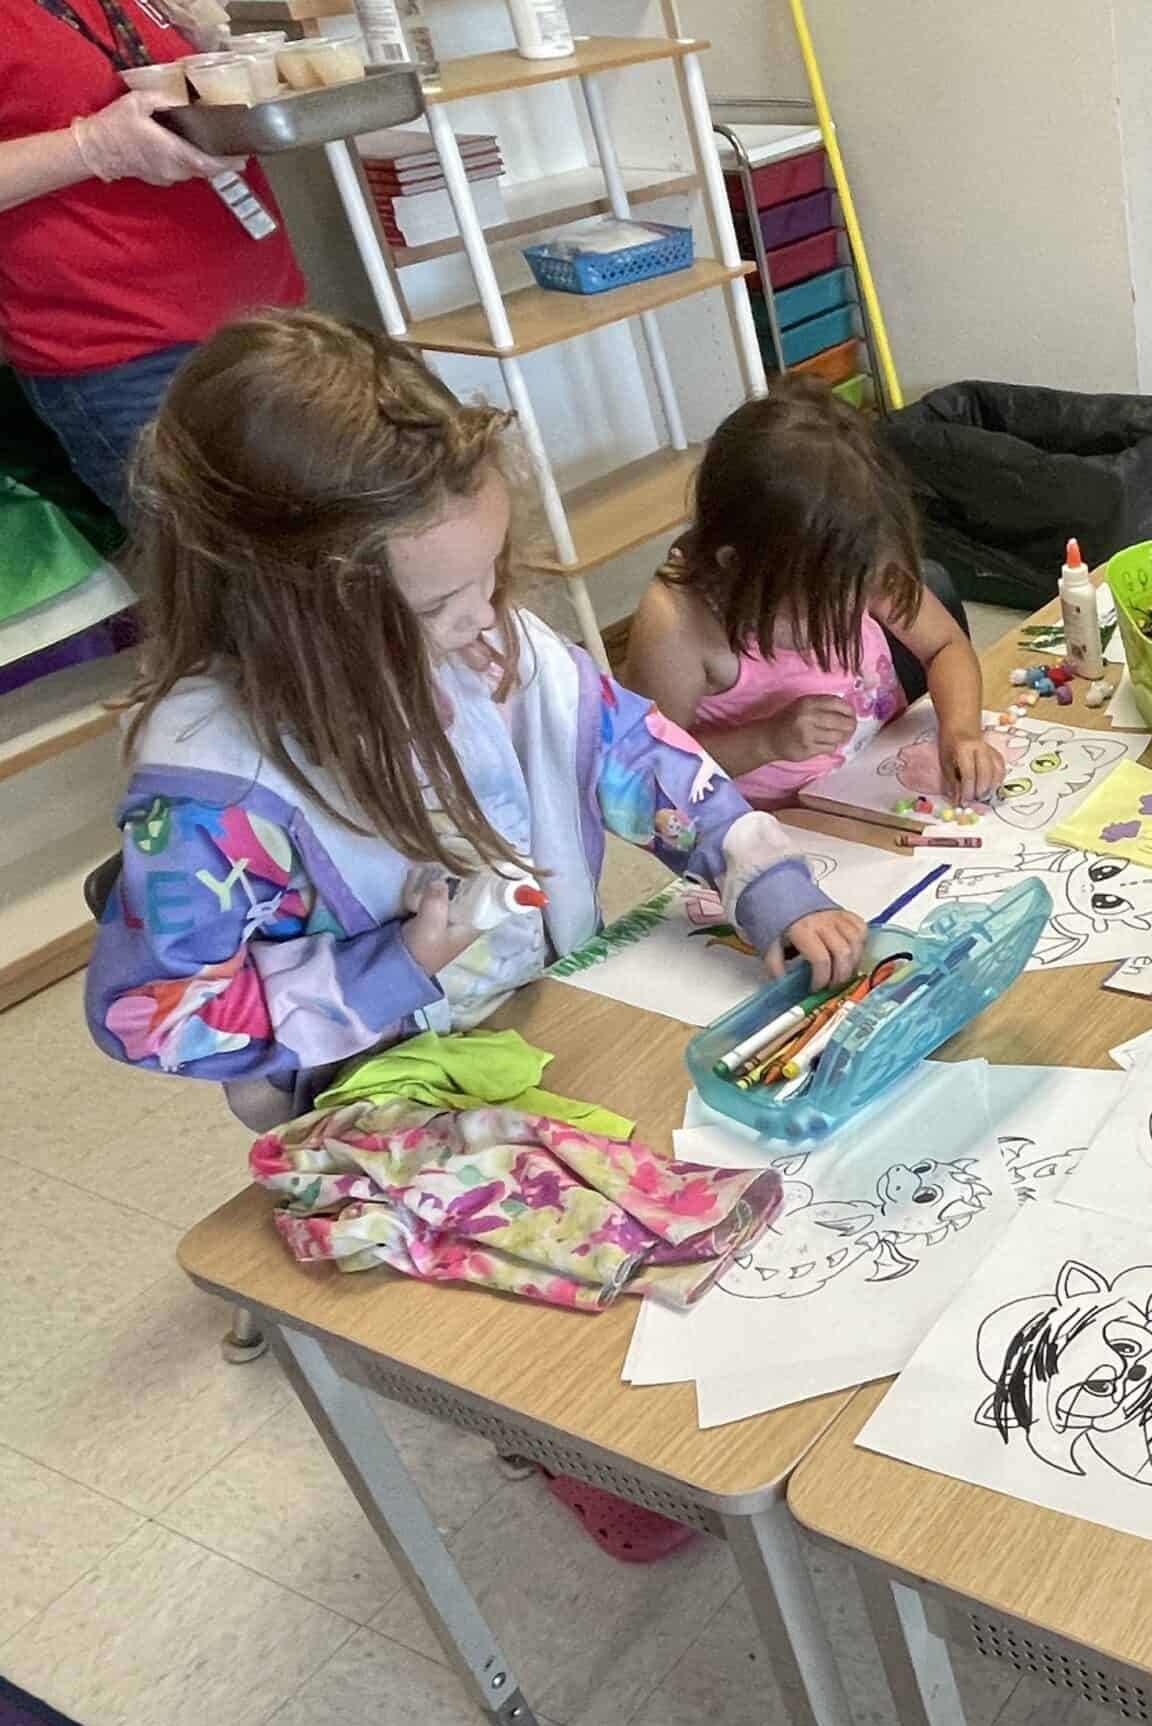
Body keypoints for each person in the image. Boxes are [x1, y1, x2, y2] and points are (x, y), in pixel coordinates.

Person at [83, 310, 867, 1126]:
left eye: (490, 573)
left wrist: (767, 883)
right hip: (382, 1107)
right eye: (440, 603)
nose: (484, 617)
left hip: (553, 1018)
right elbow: (154, 1011)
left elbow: (636, 753)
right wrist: (397, 962)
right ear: (296, 617)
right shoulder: (218, 793)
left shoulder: (483, 635)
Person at [623, 380, 1004, 808]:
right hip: (775, 824)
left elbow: (944, 645)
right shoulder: (678, 621)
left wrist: (961, 732)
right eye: (821, 603)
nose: (853, 609)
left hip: (878, 784)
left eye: (863, 591)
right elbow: (647, 768)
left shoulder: (851, 553)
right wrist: (766, 741)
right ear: (737, 564)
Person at [1, 0, 301, 522]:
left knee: (347, 560)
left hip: (270, 319)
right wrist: (93, 146)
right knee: (236, 589)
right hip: (127, 358)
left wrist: (213, 58)